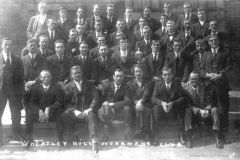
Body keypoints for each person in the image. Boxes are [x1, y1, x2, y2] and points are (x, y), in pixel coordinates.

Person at [199, 34, 233, 144]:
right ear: (209, 43)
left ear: (219, 41)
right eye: (211, 40)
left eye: (215, 40)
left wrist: (220, 75)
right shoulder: (205, 54)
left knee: (223, 110)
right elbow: (201, 70)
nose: (213, 42)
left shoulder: (225, 53)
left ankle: (224, 135)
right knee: (211, 108)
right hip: (209, 86)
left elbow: (230, 67)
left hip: (221, 85)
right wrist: (207, 75)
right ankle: (215, 134)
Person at [62, 65, 100, 154]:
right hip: (75, 113)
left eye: (79, 73)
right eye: (75, 73)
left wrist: (89, 109)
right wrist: (74, 111)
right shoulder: (67, 87)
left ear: (82, 73)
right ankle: (72, 136)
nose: (78, 75)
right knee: (65, 114)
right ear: (71, 75)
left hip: (87, 111)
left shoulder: (90, 84)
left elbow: (96, 98)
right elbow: (65, 102)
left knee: (92, 116)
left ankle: (94, 139)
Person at [183, 71, 224, 148]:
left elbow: (210, 100)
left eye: (196, 79)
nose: (194, 81)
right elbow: (186, 104)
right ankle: (189, 137)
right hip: (193, 113)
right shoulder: (185, 89)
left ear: (199, 80)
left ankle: (217, 136)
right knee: (187, 110)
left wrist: (207, 109)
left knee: (214, 109)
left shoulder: (205, 87)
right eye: (192, 79)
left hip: (205, 111)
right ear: (189, 79)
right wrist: (199, 110)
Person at [26, 70, 64, 147]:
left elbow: (59, 102)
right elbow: (31, 103)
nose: (46, 79)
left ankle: (60, 138)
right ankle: (29, 138)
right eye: (44, 77)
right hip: (39, 114)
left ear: (51, 77)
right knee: (28, 111)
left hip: (52, 113)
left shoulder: (57, 87)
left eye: (48, 76)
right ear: (40, 78)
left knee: (59, 110)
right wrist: (39, 110)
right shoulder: (35, 88)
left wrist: (49, 108)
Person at [151, 67, 186, 146]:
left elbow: (182, 97)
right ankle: (156, 135)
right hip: (162, 110)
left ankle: (181, 134)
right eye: (165, 75)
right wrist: (162, 103)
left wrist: (173, 103)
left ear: (172, 75)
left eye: (169, 74)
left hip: (173, 109)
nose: (167, 76)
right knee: (155, 109)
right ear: (162, 76)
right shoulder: (158, 84)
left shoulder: (177, 84)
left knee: (181, 108)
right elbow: (153, 98)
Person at [0, 38, 25, 146]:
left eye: (10, 45)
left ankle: (16, 134)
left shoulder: (17, 60)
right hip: (1, 91)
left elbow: (21, 77)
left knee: (16, 113)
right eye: (5, 44)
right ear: (1, 45)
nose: (8, 47)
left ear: (12, 46)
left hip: (14, 91)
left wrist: (20, 92)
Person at [100, 69, 132, 141]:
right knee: (104, 108)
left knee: (127, 109)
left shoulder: (126, 87)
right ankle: (106, 134)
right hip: (109, 110)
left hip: (121, 110)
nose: (119, 78)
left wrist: (112, 104)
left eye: (121, 76)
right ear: (113, 77)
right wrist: (105, 102)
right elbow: (102, 98)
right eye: (117, 76)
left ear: (123, 77)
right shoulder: (108, 86)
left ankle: (127, 134)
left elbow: (127, 101)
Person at [127, 65, 154, 142]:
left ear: (143, 73)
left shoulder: (147, 83)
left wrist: (140, 101)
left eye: (140, 71)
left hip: (144, 102)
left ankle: (146, 132)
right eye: (136, 71)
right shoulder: (130, 83)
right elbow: (131, 95)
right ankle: (137, 132)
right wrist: (137, 103)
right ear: (134, 73)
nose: (138, 73)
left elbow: (146, 94)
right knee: (135, 110)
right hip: (134, 104)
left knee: (148, 110)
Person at [22, 38, 48, 107]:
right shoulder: (22, 59)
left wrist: (35, 81)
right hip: (26, 86)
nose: (32, 47)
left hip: (39, 85)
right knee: (27, 106)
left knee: (39, 105)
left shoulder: (43, 59)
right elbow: (20, 74)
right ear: (27, 47)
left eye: (34, 45)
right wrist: (25, 84)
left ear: (37, 46)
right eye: (30, 46)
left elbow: (44, 72)